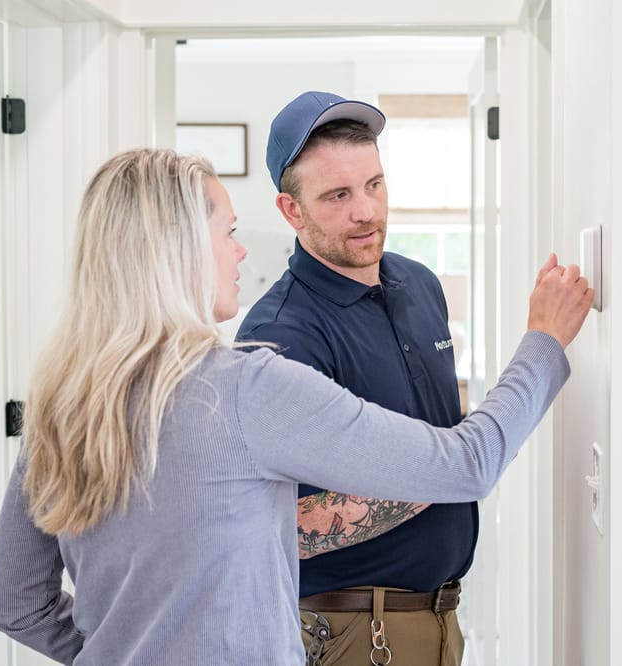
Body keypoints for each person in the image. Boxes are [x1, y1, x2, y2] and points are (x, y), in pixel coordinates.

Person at [0, 147, 594, 665]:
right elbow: (467, 463)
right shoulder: (245, 388)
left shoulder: (61, 406)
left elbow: (18, 605)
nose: (240, 254)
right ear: (179, 250)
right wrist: (543, 339)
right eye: (228, 233)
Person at [234, 90, 484, 664]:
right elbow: (283, 524)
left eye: (374, 184)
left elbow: (441, 434)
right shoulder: (279, 334)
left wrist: (467, 452)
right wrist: (463, 461)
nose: (366, 210)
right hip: (351, 631)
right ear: (292, 210)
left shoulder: (420, 285)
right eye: (338, 195)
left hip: (441, 618)